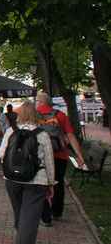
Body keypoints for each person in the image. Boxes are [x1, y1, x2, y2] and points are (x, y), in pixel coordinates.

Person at [0, 101, 56, 244]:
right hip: (37, 180)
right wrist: (51, 183)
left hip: (13, 180)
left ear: (20, 115)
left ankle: (23, 236)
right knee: (30, 216)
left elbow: (1, 154)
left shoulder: (11, 131)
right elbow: (49, 162)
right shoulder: (42, 134)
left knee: (19, 212)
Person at [35, 93, 85, 226]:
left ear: (39, 102)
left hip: (41, 156)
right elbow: (71, 135)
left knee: (41, 184)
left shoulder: (33, 115)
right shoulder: (60, 115)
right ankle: (56, 212)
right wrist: (79, 155)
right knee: (58, 183)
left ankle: (45, 216)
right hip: (59, 155)